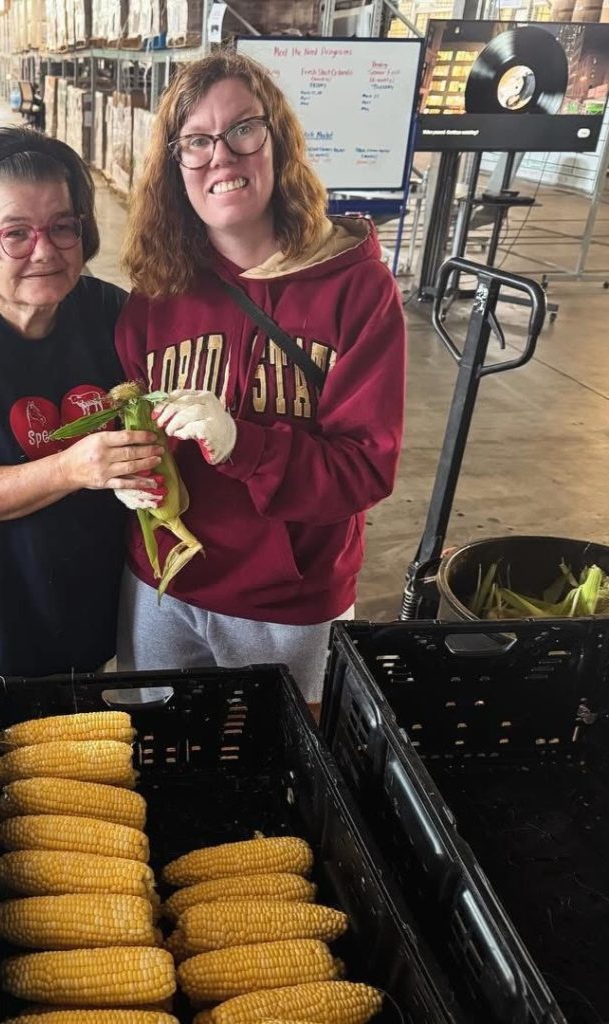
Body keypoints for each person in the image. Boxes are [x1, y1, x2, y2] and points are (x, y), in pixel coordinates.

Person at [114, 51, 406, 709]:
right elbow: (137, 419)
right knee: (158, 753)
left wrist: (244, 444)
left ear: (278, 142)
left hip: (288, 603)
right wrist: (129, 472)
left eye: (242, 129)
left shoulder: (357, 290)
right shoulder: (155, 292)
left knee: (280, 761)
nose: (221, 156)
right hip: (162, 588)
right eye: (196, 141)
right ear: (175, 165)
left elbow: (365, 469)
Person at [0, 126, 162, 723]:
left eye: (63, 227)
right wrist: (74, 467)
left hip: (98, 619)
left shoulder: (110, 314)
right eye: (16, 233)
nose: (45, 252)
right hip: (0, 629)